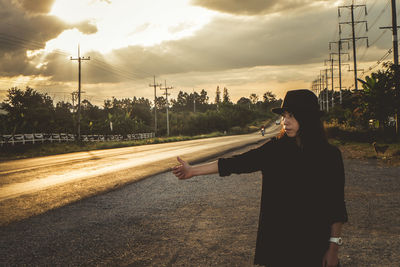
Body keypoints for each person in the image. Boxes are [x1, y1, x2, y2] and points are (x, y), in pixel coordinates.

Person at [172, 89, 348, 267]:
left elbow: (336, 205)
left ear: (307, 117)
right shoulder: (275, 151)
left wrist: (333, 249)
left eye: (291, 116)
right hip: (278, 248)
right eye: (284, 116)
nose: (285, 121)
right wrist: (192, 171)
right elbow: (235, 163)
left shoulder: (329, 156)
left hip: (314, 247)